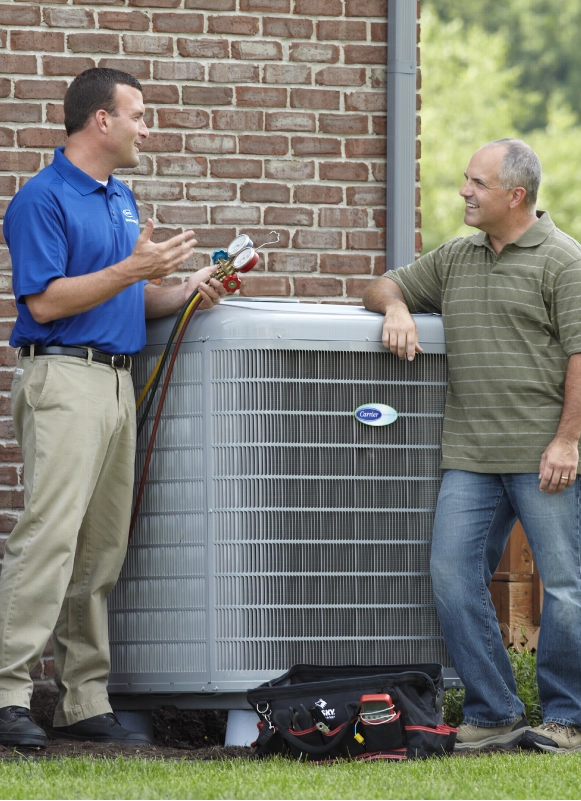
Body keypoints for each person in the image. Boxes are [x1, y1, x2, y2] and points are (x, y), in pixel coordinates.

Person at [0, 68, 226, 748]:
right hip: (64, 380)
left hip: (117, 381)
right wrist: (133, 270)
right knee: (48, 537)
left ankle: (81, 698)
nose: (146, 127)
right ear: (101, 120)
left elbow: (126, 298)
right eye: (138, 114)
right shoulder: (39, 200)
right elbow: (44, 302)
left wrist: (185, 288)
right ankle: (8, 691)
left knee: (101, 549)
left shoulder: (123, 198)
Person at [363, 138, 581, 753]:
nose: (464, 190)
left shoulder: (565, 261)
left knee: (565, 588)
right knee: (453, 578)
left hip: (546, 459)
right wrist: (398, 308)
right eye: (466, 179)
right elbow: (379, 284)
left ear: (515, 195)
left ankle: (568, 717)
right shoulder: (457, 257)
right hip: (470, 457)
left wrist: (568, 440)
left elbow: (580, 355)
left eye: (476, 183)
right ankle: (496, 710)